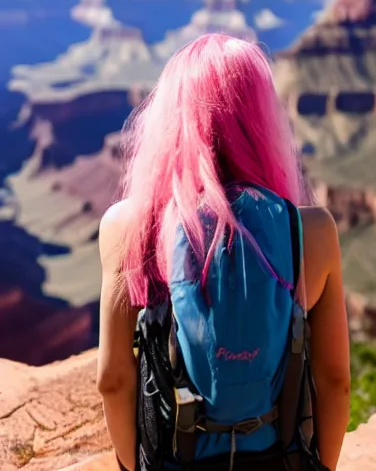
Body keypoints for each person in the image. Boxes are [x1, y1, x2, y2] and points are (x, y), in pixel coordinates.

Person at [96, 35, 350, 470]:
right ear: (261, 119)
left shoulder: (128, 227)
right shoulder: (311, 230)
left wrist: (133, 464)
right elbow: (334, 381)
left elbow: (114, 381)